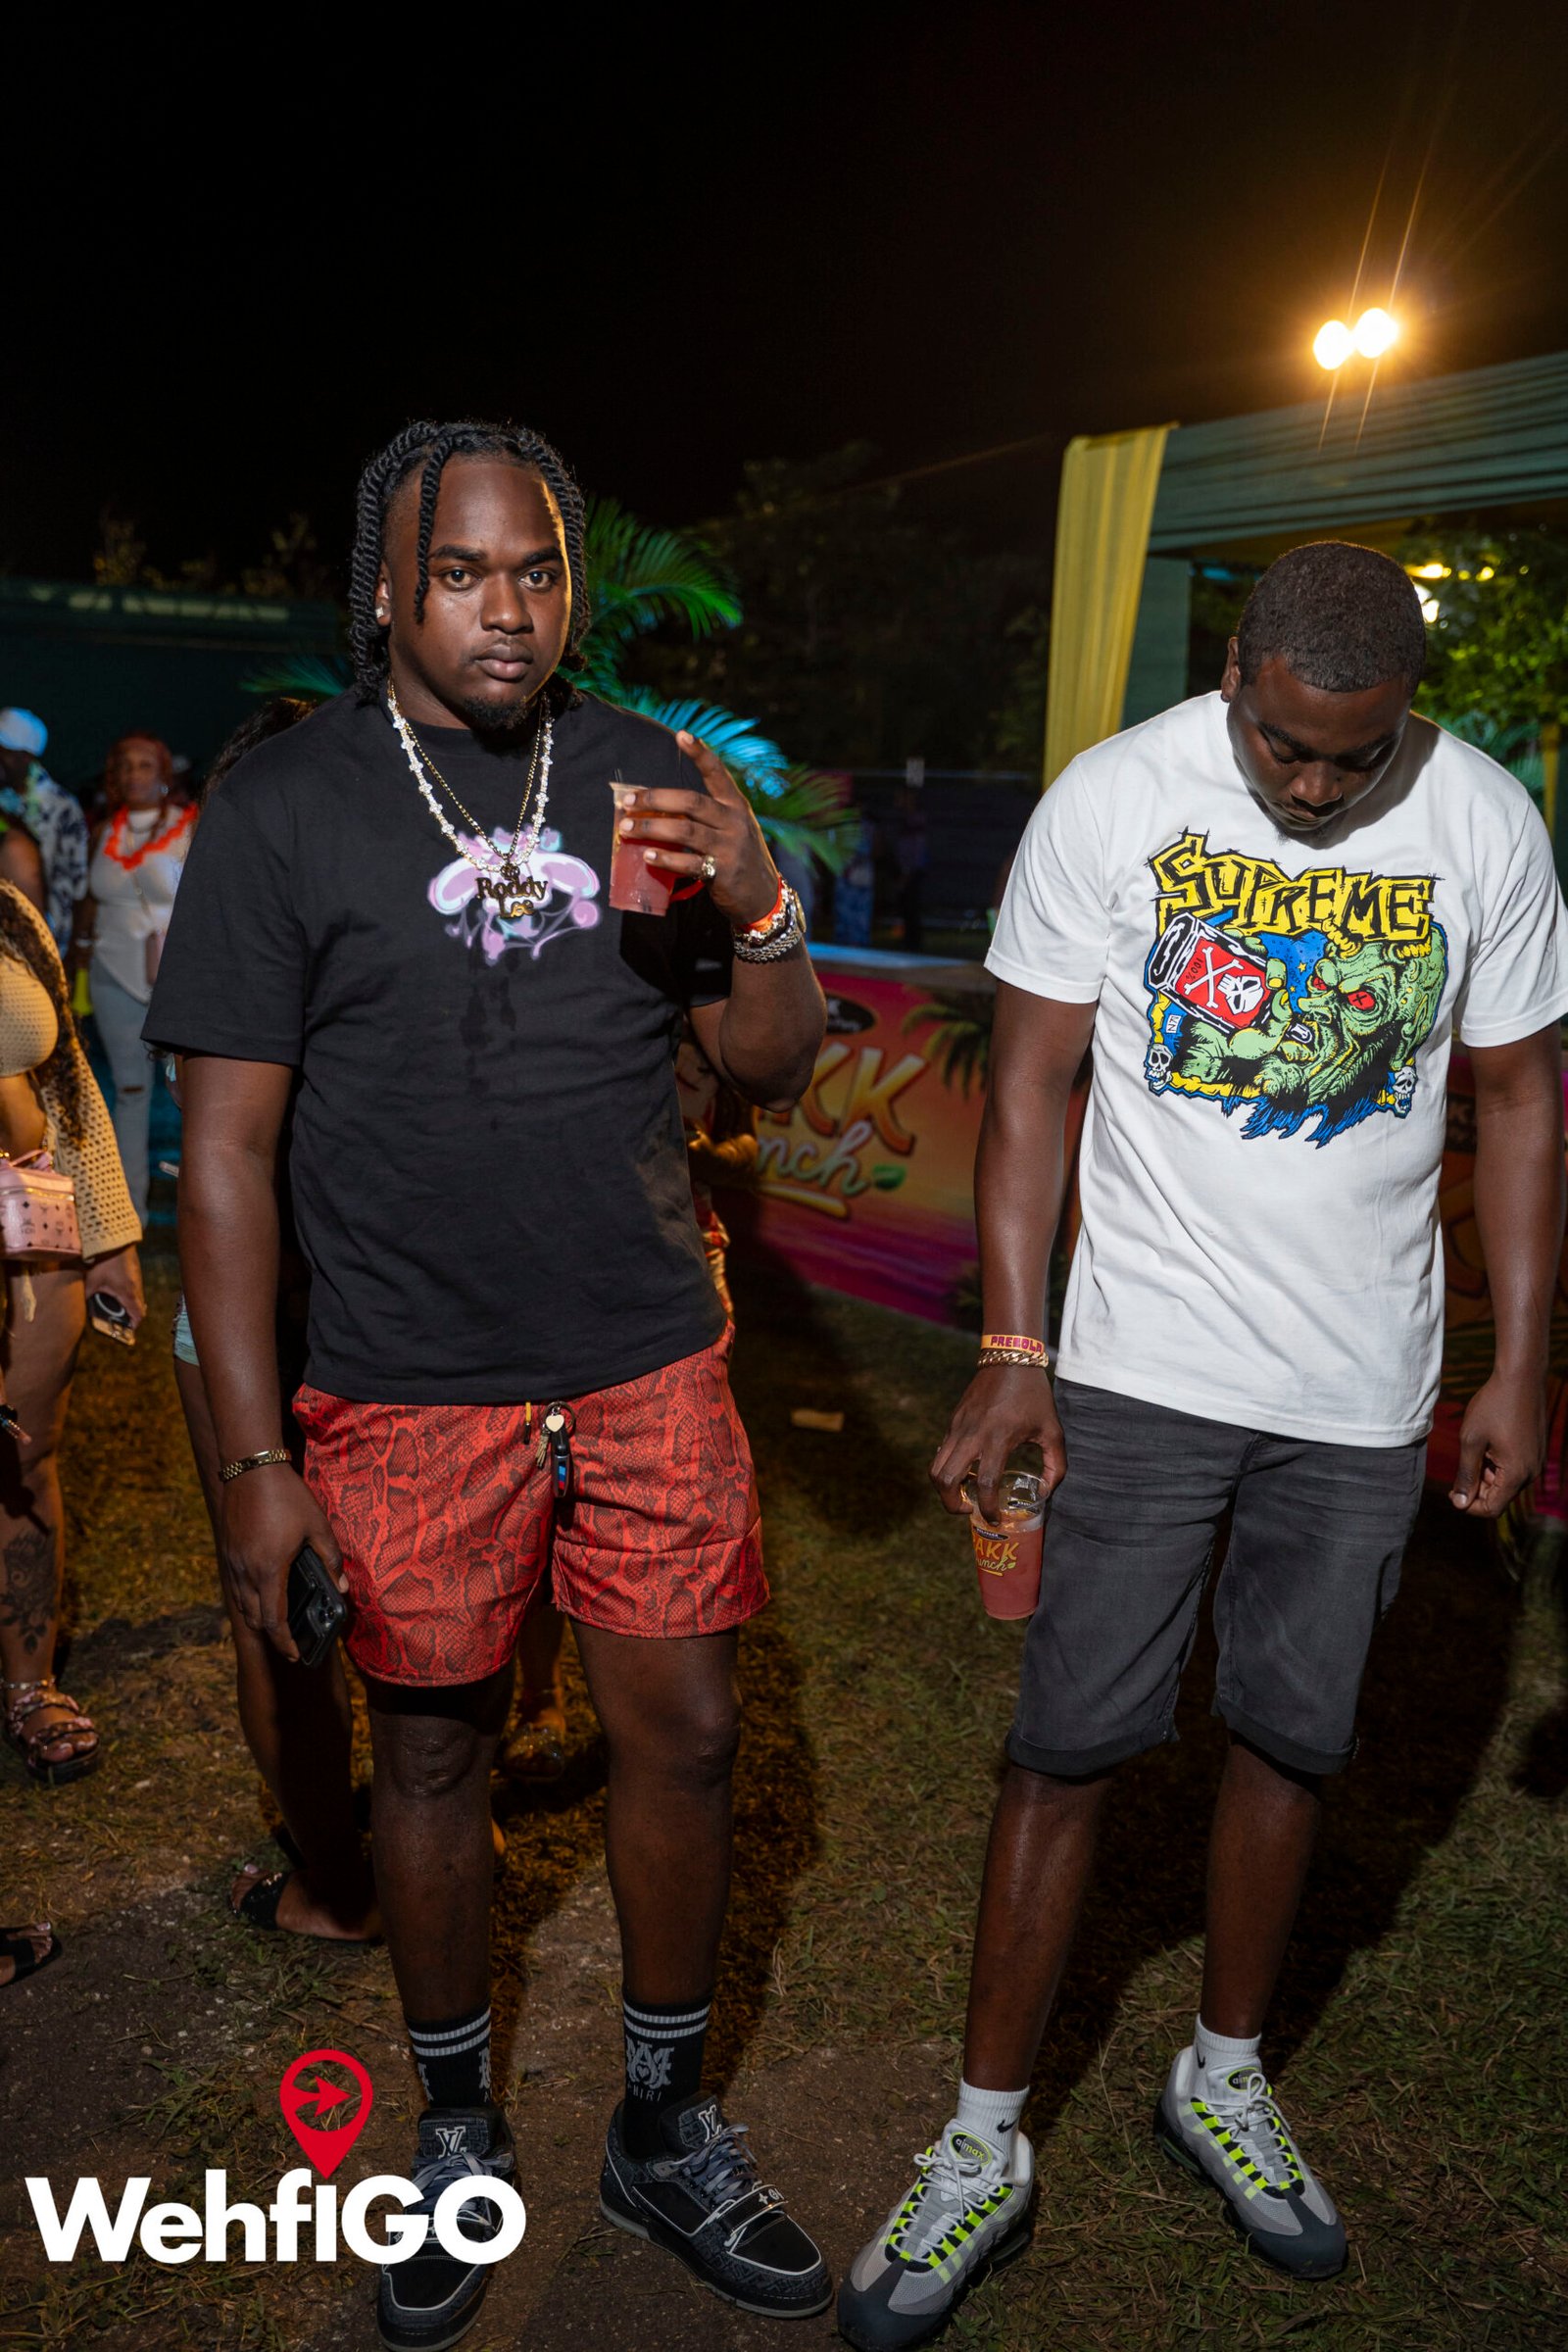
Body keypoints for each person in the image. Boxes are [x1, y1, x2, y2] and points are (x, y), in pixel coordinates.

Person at [838, 542, 1568, 2347]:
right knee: (1068, 1745)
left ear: (1409, 713)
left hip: (1359, 1385)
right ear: (1235, 673)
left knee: (1294, 1740)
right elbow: (1030, 1081)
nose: (1314, 789)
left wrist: (1520, 1371)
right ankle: (982, 2137)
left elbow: (1521, 1097)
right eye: (1286, 748)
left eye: (1355, 757)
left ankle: (1221, 2075)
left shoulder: (1484, 822)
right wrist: (1016, 1348)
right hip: (1143, 1368)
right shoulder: (1117, 797)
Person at [148, 418, 830, 2351]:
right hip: (405, 1378)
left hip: (644, 1356)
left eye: (535, 571)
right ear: (386, 590)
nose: (505, 609)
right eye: (459, 573)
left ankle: (662, 2125)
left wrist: (755, 890)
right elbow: (225, 1160)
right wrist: (254, 1458)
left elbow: (768, 1064)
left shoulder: (647, 780)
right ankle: (456, 2129)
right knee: (432, 1756)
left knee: (685, 1732)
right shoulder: (284, 806)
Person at [168, 696, 376, 1943]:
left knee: (298, 1615)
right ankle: (342, 1877)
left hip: (332, 1322)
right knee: (290, 1612)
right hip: (280, 1322)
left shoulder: (247, 931)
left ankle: (349, 1875)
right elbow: (226, 1164)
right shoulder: (301, 932)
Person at [502, 1028, 760, 1782]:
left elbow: (746, 1147)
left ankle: (658, 1715)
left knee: (667, 1507)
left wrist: (690, 1153)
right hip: (550, 1273)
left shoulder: (716, 1014)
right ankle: (540, 1701)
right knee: (541, 1492)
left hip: (683, 1282)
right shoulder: (565, 1006)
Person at [0, 882, 143, 1786]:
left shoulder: (11, 913)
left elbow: (69, 1076)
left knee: (24, 1458)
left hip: (34, 1227)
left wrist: (110, 1238)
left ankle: (29, 1682)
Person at [75, 733, 196, 1226]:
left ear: (164, 774)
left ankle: (200, 1204)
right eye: (124, 766)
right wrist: (78, 962)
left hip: (175, 975)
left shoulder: (190, 827)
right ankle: (130, 1208)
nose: (133, 774)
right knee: (128, 1090)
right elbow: (89, 902)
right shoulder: (106, 829)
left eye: (144, 765)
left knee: (189, 1092)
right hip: (110, 972)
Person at [0, 709, 91, 953]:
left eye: (3, 751)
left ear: (26, 757)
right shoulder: (3, 798)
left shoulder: (62, 807)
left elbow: (79, 884)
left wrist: (76, 947)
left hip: (47, 941)